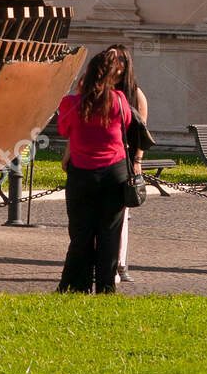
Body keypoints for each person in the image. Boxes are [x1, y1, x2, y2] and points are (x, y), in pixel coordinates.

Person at [56, 47, 137, 294]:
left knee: (81, 232)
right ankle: (105, 286)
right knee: (109, 233)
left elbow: (64, 130)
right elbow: (128, 122)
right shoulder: (120, 101)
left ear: (87, 74)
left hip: (82, 172)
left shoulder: (70, 103)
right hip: (115, 171)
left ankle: (76, 284)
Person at [107, 44, 148, 285]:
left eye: (119, 60)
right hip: (101, 160)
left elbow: (142, 133)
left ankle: (120, 263)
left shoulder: (135, 95)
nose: (115, 64)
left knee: (121, 216)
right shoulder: (95, 90)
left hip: (124, 159)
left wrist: (137, 161)